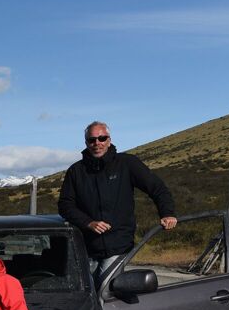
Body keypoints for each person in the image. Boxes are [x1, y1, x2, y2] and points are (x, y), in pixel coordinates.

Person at [58, 121, 177, 282]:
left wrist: (167, 213)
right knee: (87, 293)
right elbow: (65, 205)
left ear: (109, 140)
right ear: (86, 143)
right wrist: (88, 223)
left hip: (119, 244)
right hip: (86, 247)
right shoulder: (76, 171)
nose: (97, 143)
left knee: (105, 292)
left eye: (102, 138)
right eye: (92, 140)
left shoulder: (127, 163)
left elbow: (157, 188)